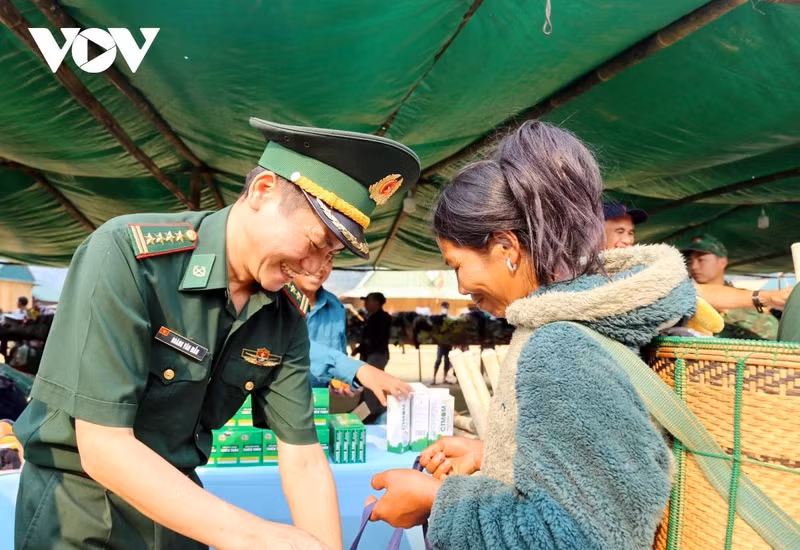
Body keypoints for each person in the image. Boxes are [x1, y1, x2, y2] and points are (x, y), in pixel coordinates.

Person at [13, 117, 421, 550]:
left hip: (183, 518)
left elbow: (301, 457)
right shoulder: (131, 258)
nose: (317, 269)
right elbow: (103, 447)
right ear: (263, 191)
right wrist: (258, 537)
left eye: (333, 255)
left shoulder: (283, 317)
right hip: (82, 517)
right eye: (316, 242)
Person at [366, 121, 695, 549]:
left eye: (457, 264)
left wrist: (438, 501)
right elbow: (603, 470)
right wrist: (495, 454)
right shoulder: (577, 322)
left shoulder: (560, 347)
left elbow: (580, 537)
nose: (461, 286)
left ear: (506, 247)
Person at [292, 257, 411, 404]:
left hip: (316, 403)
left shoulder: (335, 305)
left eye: (329, 259)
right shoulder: (271, 301)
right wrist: (356, 370)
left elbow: (338, 352)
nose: (320, 266)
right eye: (311, 255)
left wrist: (338, 381)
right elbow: (291, 345)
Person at [683, 234, 786, 340]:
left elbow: (773, 336)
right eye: (691, 261)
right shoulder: (684, 300)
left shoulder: (747, 301)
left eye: (701, 260)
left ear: (722, 262)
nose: (694, 267)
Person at [354, 292, 392, 368]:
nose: (365, 303)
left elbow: (374, 338)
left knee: (372, 377)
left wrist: (361, 347)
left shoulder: (382, 318)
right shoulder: (371, 317)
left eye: (368, 301)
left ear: (376, 302)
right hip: (369, 354)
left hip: (376, 354)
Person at [432, 302, 453, 384]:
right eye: (444, 307)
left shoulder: (449, 318)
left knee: (447, 361)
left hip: (448, 342)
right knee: (438, 360)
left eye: (446, 307)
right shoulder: (438, 318)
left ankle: (444, 378)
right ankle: (434, 378)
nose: (445, 308)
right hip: (441, 342)